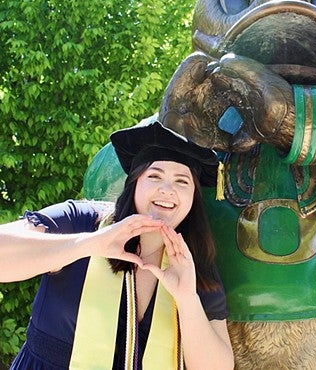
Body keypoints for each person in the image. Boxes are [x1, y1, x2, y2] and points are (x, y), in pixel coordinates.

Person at [0, 121, 234, 370]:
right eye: (154, 176)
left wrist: (187, 298)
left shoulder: (190, 262)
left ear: (192, 198)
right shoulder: (84, 221)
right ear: (134, 183)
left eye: (182, 182)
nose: (167, 190)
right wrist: (88, 244)